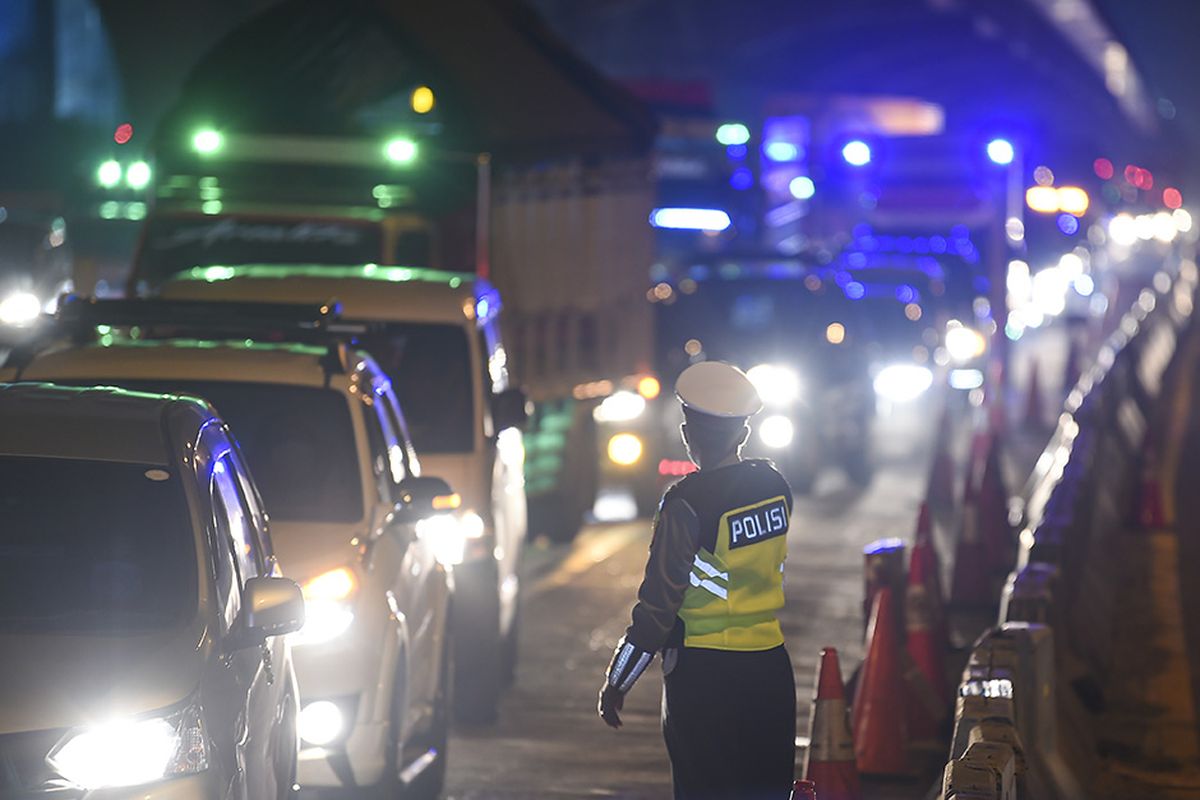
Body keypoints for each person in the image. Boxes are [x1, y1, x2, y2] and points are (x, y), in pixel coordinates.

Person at [597, 361, 797, 799]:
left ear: (687, 434)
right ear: (744, 433)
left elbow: (657, 608)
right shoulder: (776, 487)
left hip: (704, 676)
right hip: (770, 668)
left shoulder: (686, 504)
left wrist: (619, 679)